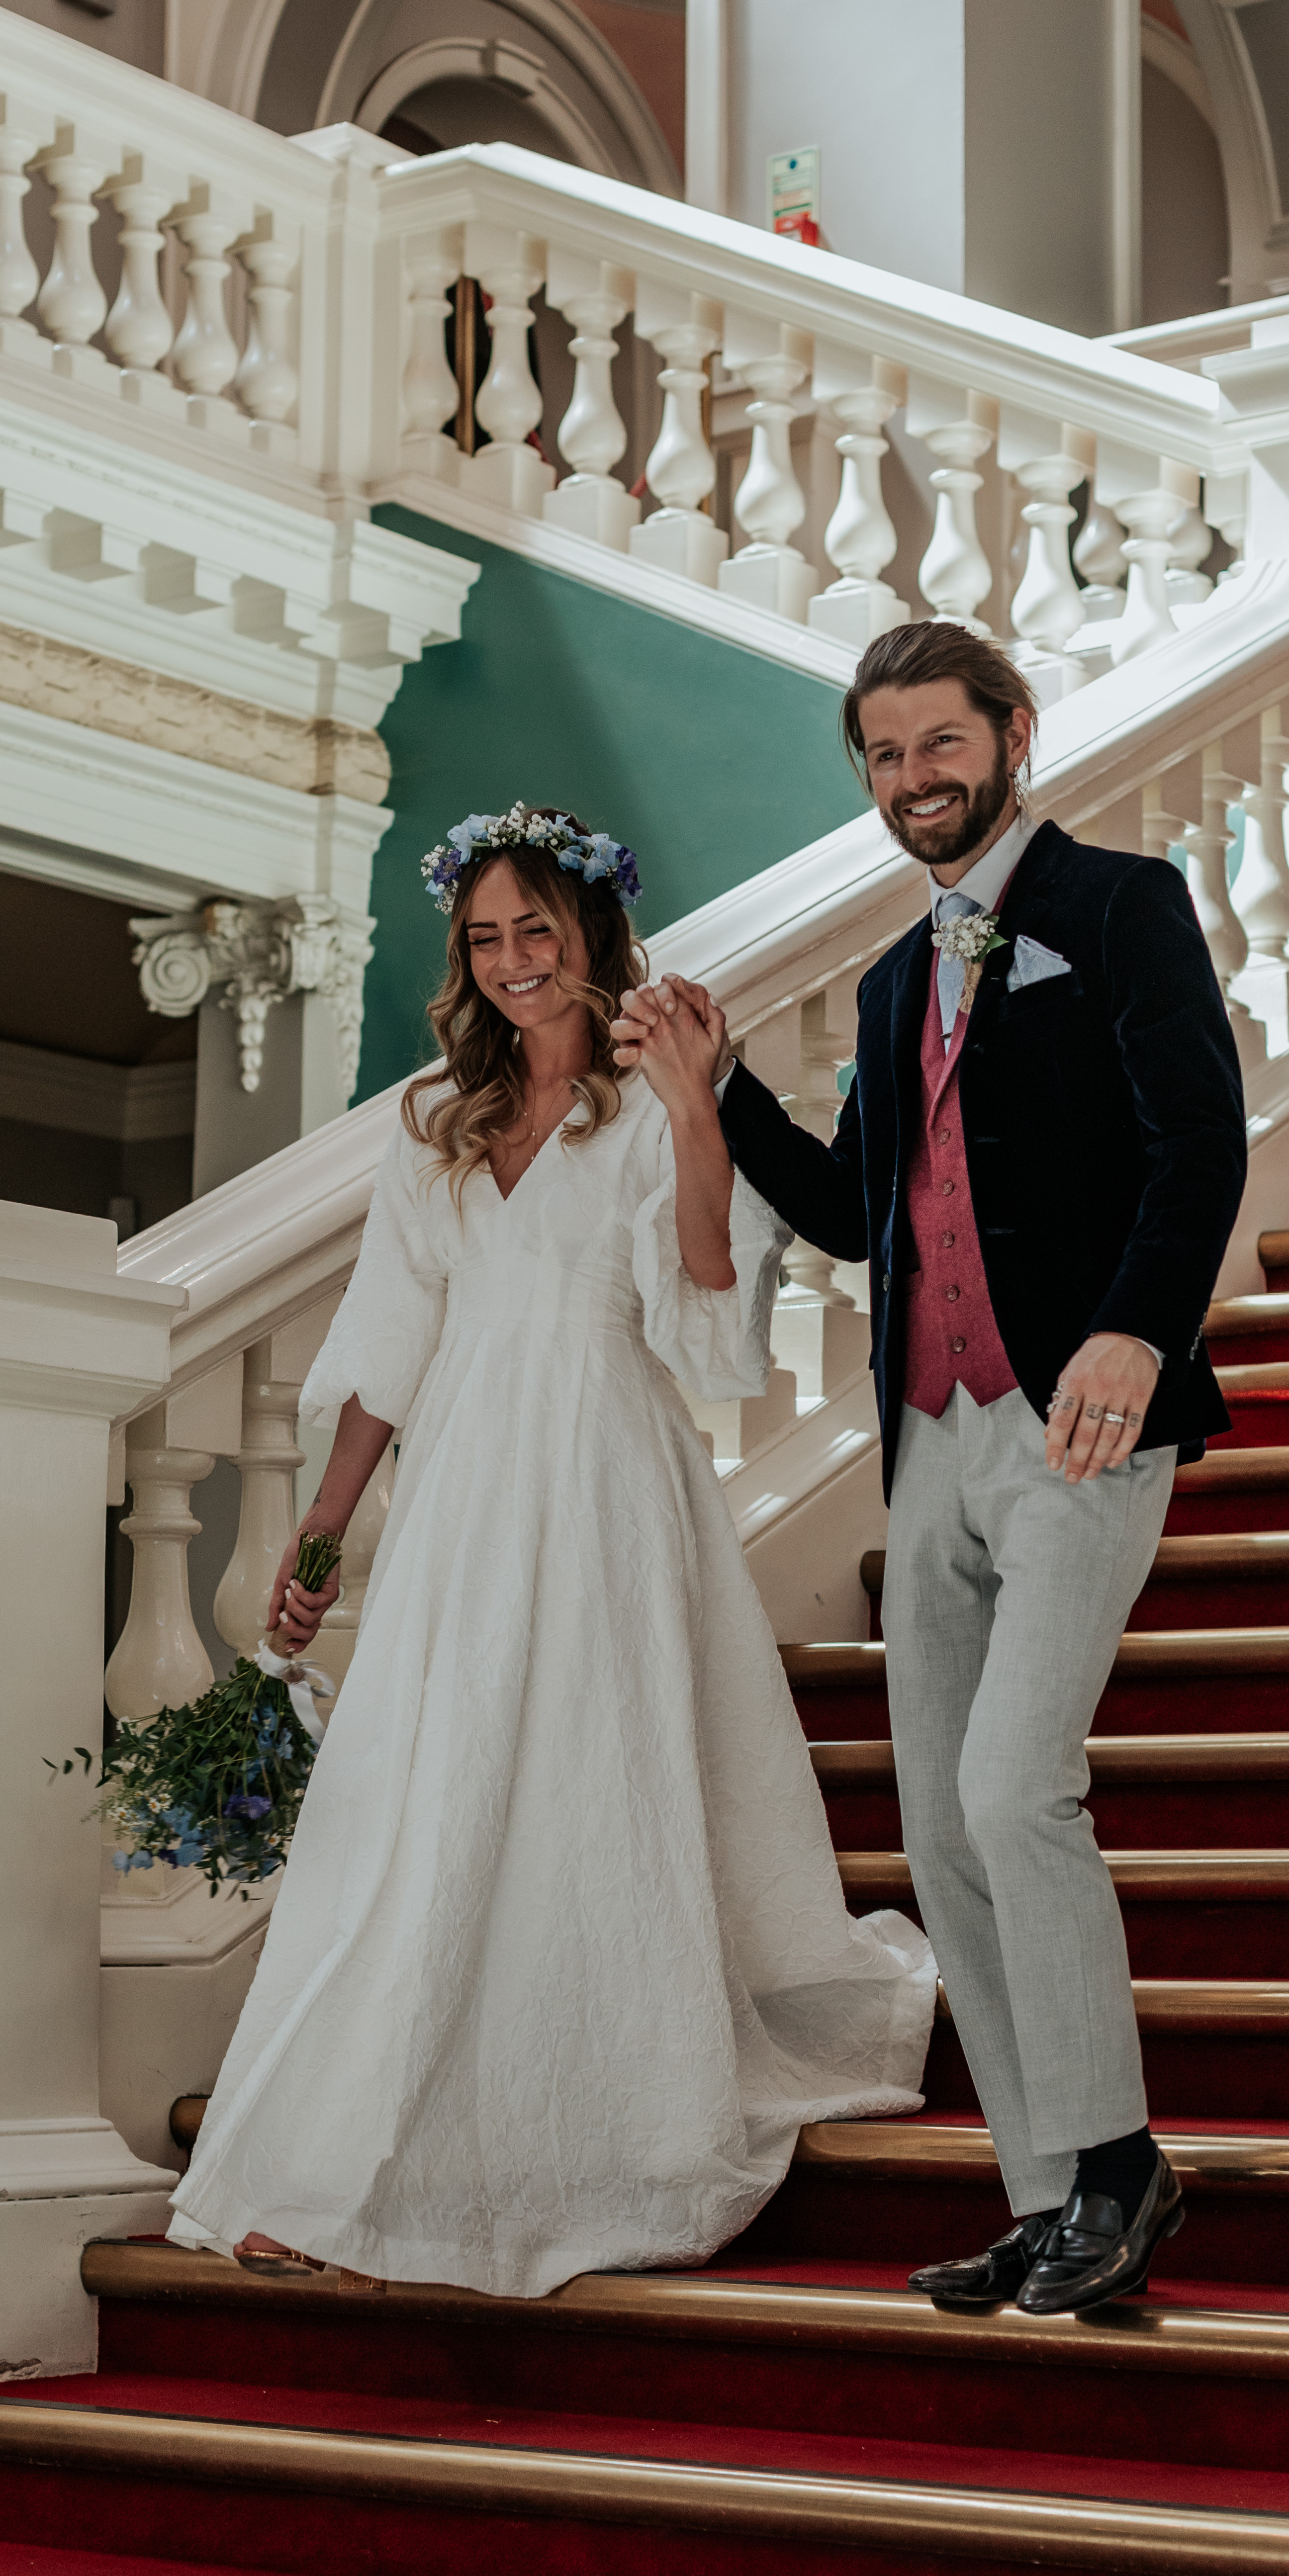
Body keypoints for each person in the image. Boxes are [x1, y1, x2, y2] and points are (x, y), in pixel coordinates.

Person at [165, 801, 937, 2299]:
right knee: (419, 1817)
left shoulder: (655, 1103)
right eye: (486, 937)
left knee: (591, 1795)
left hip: (604, 1478)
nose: (514, 961)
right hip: (462, 1494)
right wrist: (323, 1530)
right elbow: (393, 1334)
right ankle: (334, 2161)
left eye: (539, 931)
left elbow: (707, 1325)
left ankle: (593, 2141)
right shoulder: (428, 1121)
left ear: (591, 937)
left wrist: (702, 1105)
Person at [614, 623, 1246, 2315]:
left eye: (937, 746)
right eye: (883, 758)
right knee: (940, 1829)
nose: (913, 782)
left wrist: (1133, 1330)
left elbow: (1199, 1136)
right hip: (931, 1433)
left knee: (1012, 1788)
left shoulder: (1120, 908)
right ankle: (1046, 2196)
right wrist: (719, 1090)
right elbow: (849, 1214)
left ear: (1011, 734)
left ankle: (1121, 2169)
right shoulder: (897, 984)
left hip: (1076, 1419)